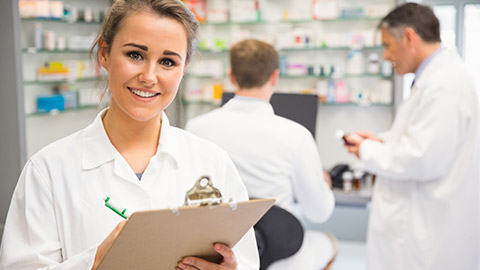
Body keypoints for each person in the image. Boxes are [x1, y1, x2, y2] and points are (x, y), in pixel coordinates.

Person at [0, 1, 259, 269]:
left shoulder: (213, 162)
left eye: (167, 62)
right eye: (135, 55)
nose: (149, 76)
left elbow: (247, 262)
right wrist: (95, 261)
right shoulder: (48, 171)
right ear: (104, 53)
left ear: (184, 68)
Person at [343, 3, 480, 270]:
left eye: (387, 45)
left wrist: (367, 150)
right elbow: (424, 140)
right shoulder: (434, 80)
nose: (385, 56)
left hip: (429, 235)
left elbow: (422, 158)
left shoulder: (444, 84)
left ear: (408, 37)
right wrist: (382, 141)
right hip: (421, 227)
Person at [186, 39, 336, 270]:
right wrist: (322, 183)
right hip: (279, 255)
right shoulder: (296, 135)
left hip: (216, 252)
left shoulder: (196, 128)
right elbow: (319, 212)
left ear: (232, 77)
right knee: (329, 244)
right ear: (274, 77)